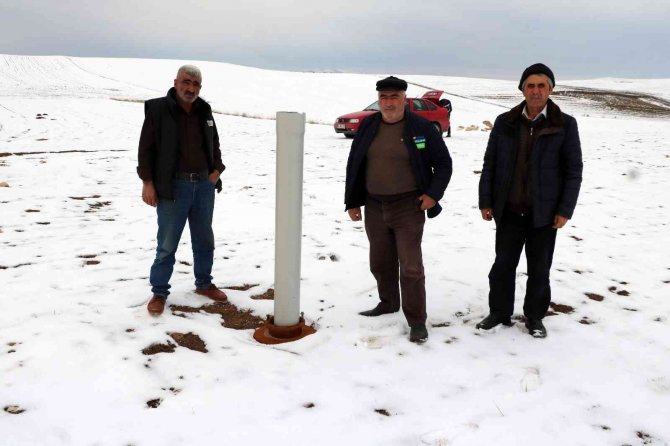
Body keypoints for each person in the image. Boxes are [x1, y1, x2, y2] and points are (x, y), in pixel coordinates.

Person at [477, 63, 583, 338]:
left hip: (544, 214)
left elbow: (573, 171)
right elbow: (490, 163)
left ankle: (535, 317)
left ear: (550, 89)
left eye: (541, 86)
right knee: (502, 265)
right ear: (522, 89)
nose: (535, 91)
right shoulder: (505, 122)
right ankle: (499, 312)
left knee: (539, 270)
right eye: (530, 85)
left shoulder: (565, 124)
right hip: (509, 210)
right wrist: (485, 200)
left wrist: (564, 209)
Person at [344, 76, 453, 343]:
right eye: (384, 97)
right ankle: (388, 302)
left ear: (404, 99)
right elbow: (355, 163)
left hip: (408, 205)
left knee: (411, 267)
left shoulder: (422, 127)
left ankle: (417, 320)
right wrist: (352, 201)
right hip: (373, 204)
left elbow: (443, 163)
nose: (388, 102)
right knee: (380, 261)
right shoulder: (369, 125)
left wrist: (433, 194)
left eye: (394, 97)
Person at [137, 65, 228, 316]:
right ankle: (159, 292)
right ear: (176, 82)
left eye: (196, 85)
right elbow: (146, 149)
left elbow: (214, 144)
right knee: (166, 244)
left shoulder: (204, 110)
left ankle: (204, 284)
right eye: (187, 82)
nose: (191, 88)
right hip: (173, 187)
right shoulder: (158, 109)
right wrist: (147, 182)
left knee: (204, 240)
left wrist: (216, 172)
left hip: (203, 186)